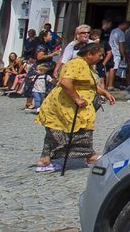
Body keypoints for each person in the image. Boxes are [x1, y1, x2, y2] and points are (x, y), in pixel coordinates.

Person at [33, 42, 115, 172]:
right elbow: (66, 82)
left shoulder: (87, 66)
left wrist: (104, 92)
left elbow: (88, 84)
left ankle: (45, 160)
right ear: (89, 54)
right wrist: (77, 98)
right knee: (75, 131)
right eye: (99, 55)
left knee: (59, 132)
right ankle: (90, 155)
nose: (101, 57)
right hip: (65, 105)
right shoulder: (76, 63)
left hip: (71, 106)